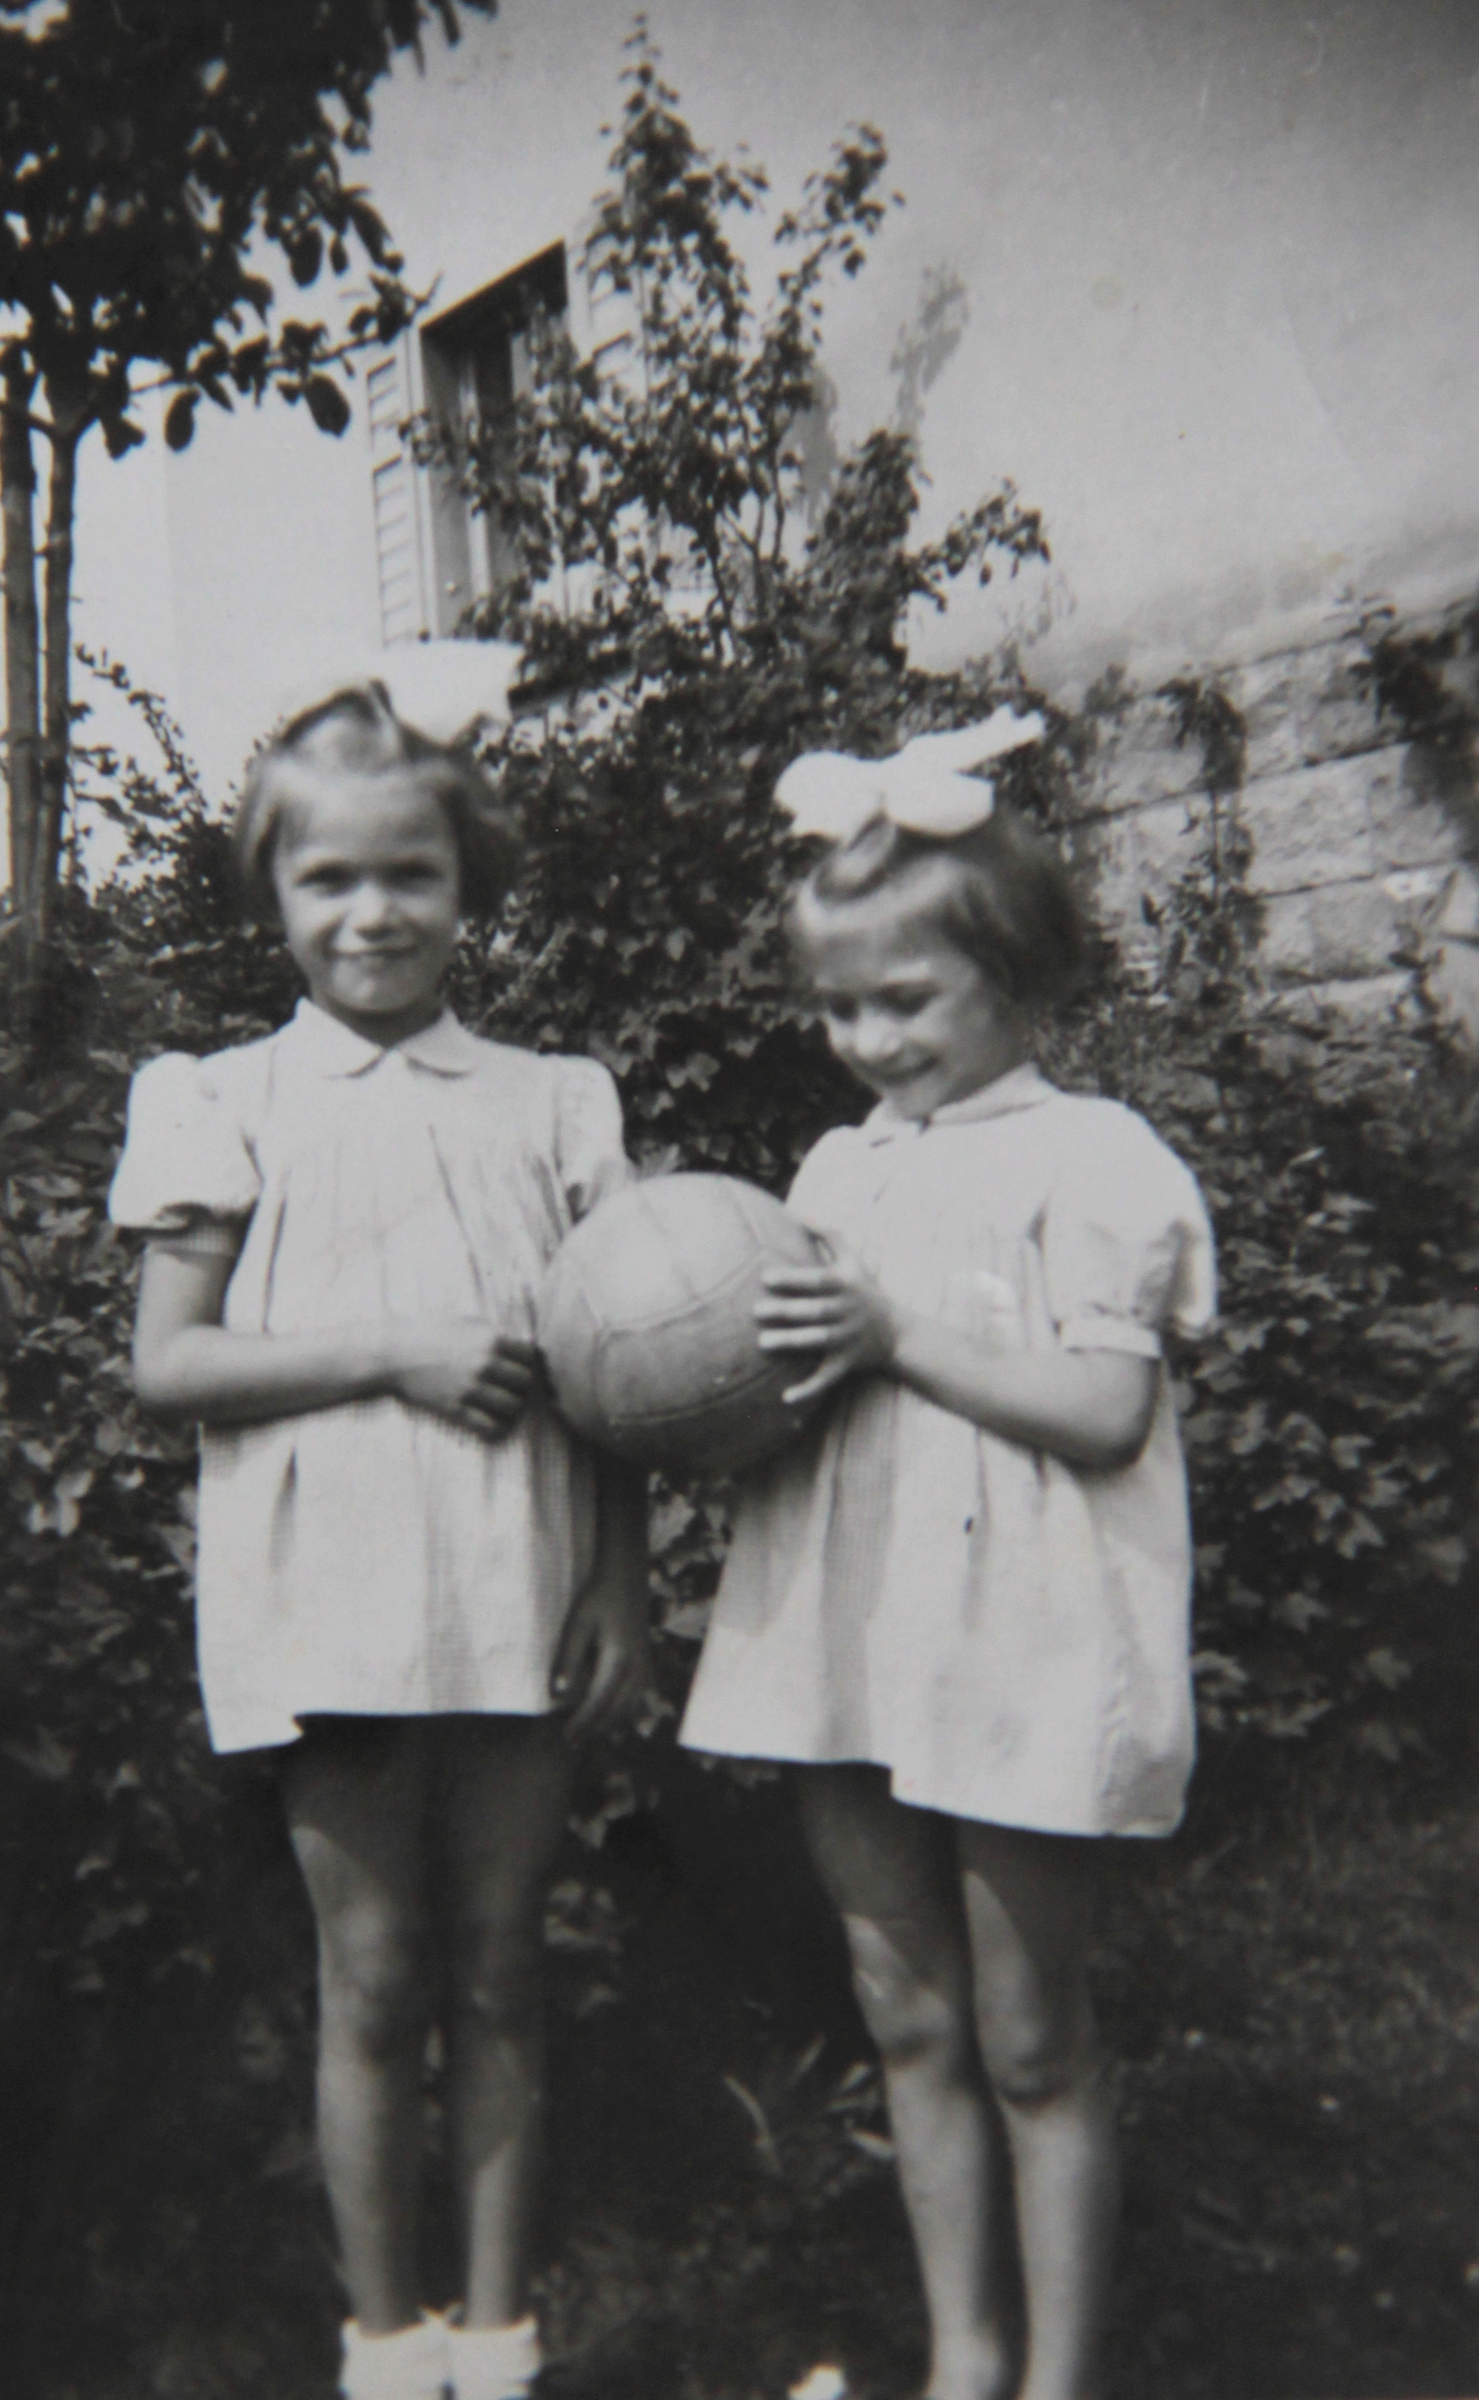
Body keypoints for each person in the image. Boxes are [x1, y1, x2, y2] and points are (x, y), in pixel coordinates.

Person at [109, 679, 650, 2400]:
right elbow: (169, 1365)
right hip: (327, 1592)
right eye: (327, 878)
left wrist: (620, 1578)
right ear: (271, 894)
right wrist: (398, 1352)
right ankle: (383, 2339)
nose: (371, 913)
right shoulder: (227, 1099)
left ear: (466, 883)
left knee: (497, 1967)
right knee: (374, 1975)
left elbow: (625, 1369)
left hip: (515, 1580)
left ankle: (496, 2334)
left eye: (409, 873)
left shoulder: (552, 1103)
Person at [680, 722, 1216, 2400]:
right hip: (854, 1631)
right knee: (905, 2014)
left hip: (1021, 1635)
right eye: (838, 1007)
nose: (868, 1039)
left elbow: (1104, 1413)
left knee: (1030, 2034)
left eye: (904, 998)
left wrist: (894, 1331)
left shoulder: (1092, 1159)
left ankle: (1054, 2381)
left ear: (1018, 974)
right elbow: (785, 1380)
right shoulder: (836, 1169)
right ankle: (961, 2362)